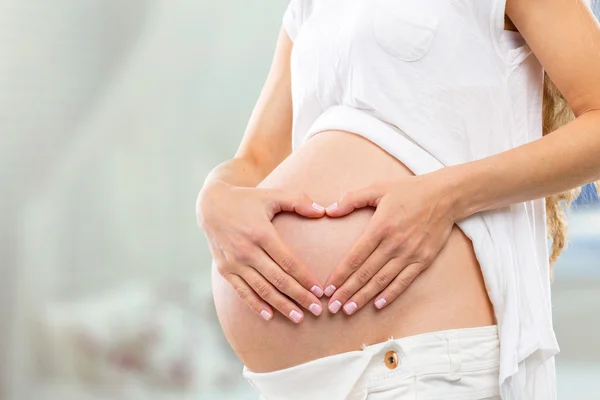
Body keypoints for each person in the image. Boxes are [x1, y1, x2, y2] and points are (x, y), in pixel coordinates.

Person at [196, 1, 600, 399]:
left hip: (420, 359)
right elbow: (257, 159)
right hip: (293, 382)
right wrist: (214, 196)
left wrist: (445, 197)